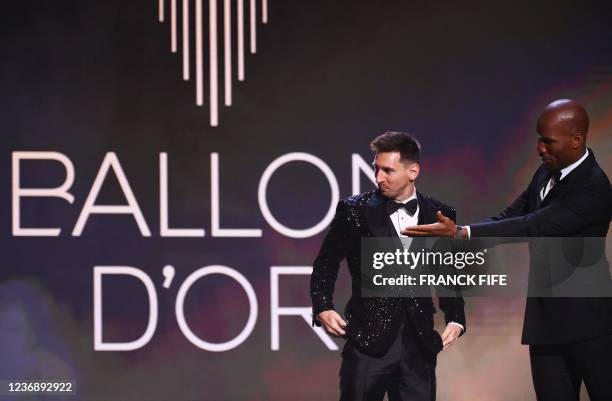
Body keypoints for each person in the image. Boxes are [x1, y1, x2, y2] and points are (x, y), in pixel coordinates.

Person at [403, 99, 612, 401]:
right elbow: (510, 218)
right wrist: (458, 235)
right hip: (546, 323)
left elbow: (533, 225)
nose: (540, 148)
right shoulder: (546, 173)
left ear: (577, 140)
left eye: (548, 141)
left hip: (590, 324)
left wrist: (462, 233)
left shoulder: (593, 187)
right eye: (539, 139)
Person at [310, 132, 466, 401]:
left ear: (412, 171)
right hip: (367, 342)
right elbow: (327, 261)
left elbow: (445, 270)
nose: (378, 177)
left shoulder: (441, 214)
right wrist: (322, 305)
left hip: (419, 345)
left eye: (388, 170)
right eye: (376, 168)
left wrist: (455, 317)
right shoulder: (353, 210)